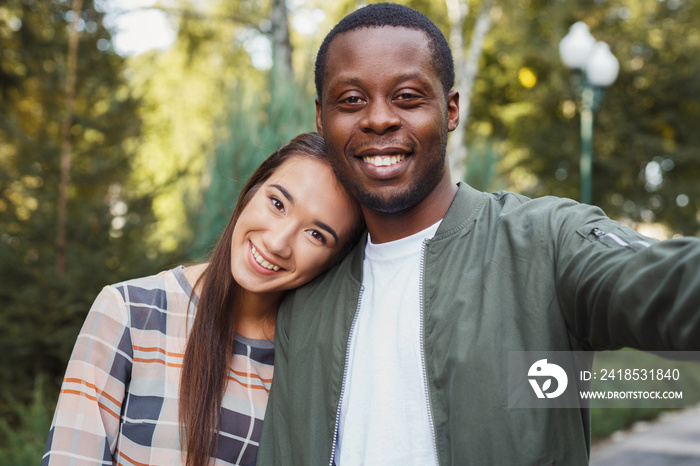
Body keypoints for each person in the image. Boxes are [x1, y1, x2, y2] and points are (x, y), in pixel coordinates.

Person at [256, 3, 700, 465]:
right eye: (351, 100)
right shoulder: (305, 292)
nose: (379, 119)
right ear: (321, 119)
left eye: (407, 96)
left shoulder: (544, 242)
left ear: (450, 111)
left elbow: (664, 282)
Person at [42, 132, 363, 466]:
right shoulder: (128, 312)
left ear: (335, 259)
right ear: (251, 191)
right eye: (277, 203)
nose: (278, 243)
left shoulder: (313, 364)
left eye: (316, 234)